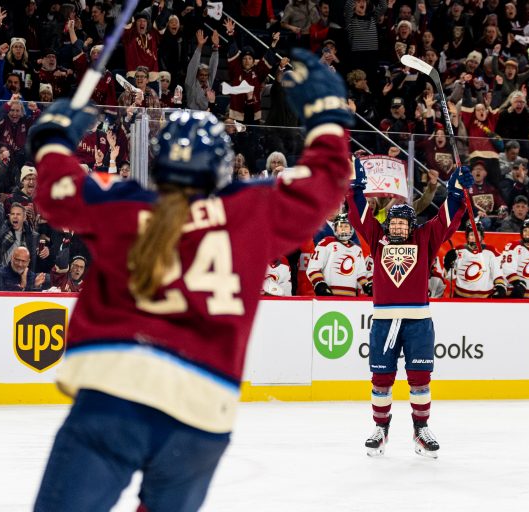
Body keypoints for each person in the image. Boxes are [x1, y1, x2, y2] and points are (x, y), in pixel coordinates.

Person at [29, 48, 353, 510]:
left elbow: (59, 194)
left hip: (114, 393)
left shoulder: (124, 208)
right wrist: (326, 118)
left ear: (158, 165)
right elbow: (325, 183)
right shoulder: (250, 210)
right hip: (202, 410)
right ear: (221, 168)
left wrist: (52, 142)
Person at [346, 151, 473, 459]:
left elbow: (445, 218)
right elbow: (358, 213)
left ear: (413, 226)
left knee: (419, 380)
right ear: (387, 225)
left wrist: (455, 192)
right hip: (384, 323)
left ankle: (420, 429)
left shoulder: (425, 238)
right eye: (395, 224)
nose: (399, 228)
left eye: (404, 224)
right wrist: (354, 187)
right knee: (381, 379)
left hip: (418, 322)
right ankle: (380, 429)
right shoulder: (377, 239)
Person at [307, 213, 371, 297]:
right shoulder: (326, 243)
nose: (343, 229)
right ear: (335, 229)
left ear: (351, 229)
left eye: (346, 226)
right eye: (341, 226)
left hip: (351, 297)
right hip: (329, 295)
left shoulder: (357, 249)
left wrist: (366, 286)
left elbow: (360, 274)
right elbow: (313, 267)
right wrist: (319, 284)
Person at [444, 221, 507, 299]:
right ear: (467, 237)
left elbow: (498, 274)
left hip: (484, 299)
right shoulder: (458, 251)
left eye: (477, 234)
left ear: (482, 236)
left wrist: (500, 286)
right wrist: (447, 264)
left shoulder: (491, 251)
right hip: (460, 297)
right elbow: (450, 276)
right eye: (471, 234)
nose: (474, 237)